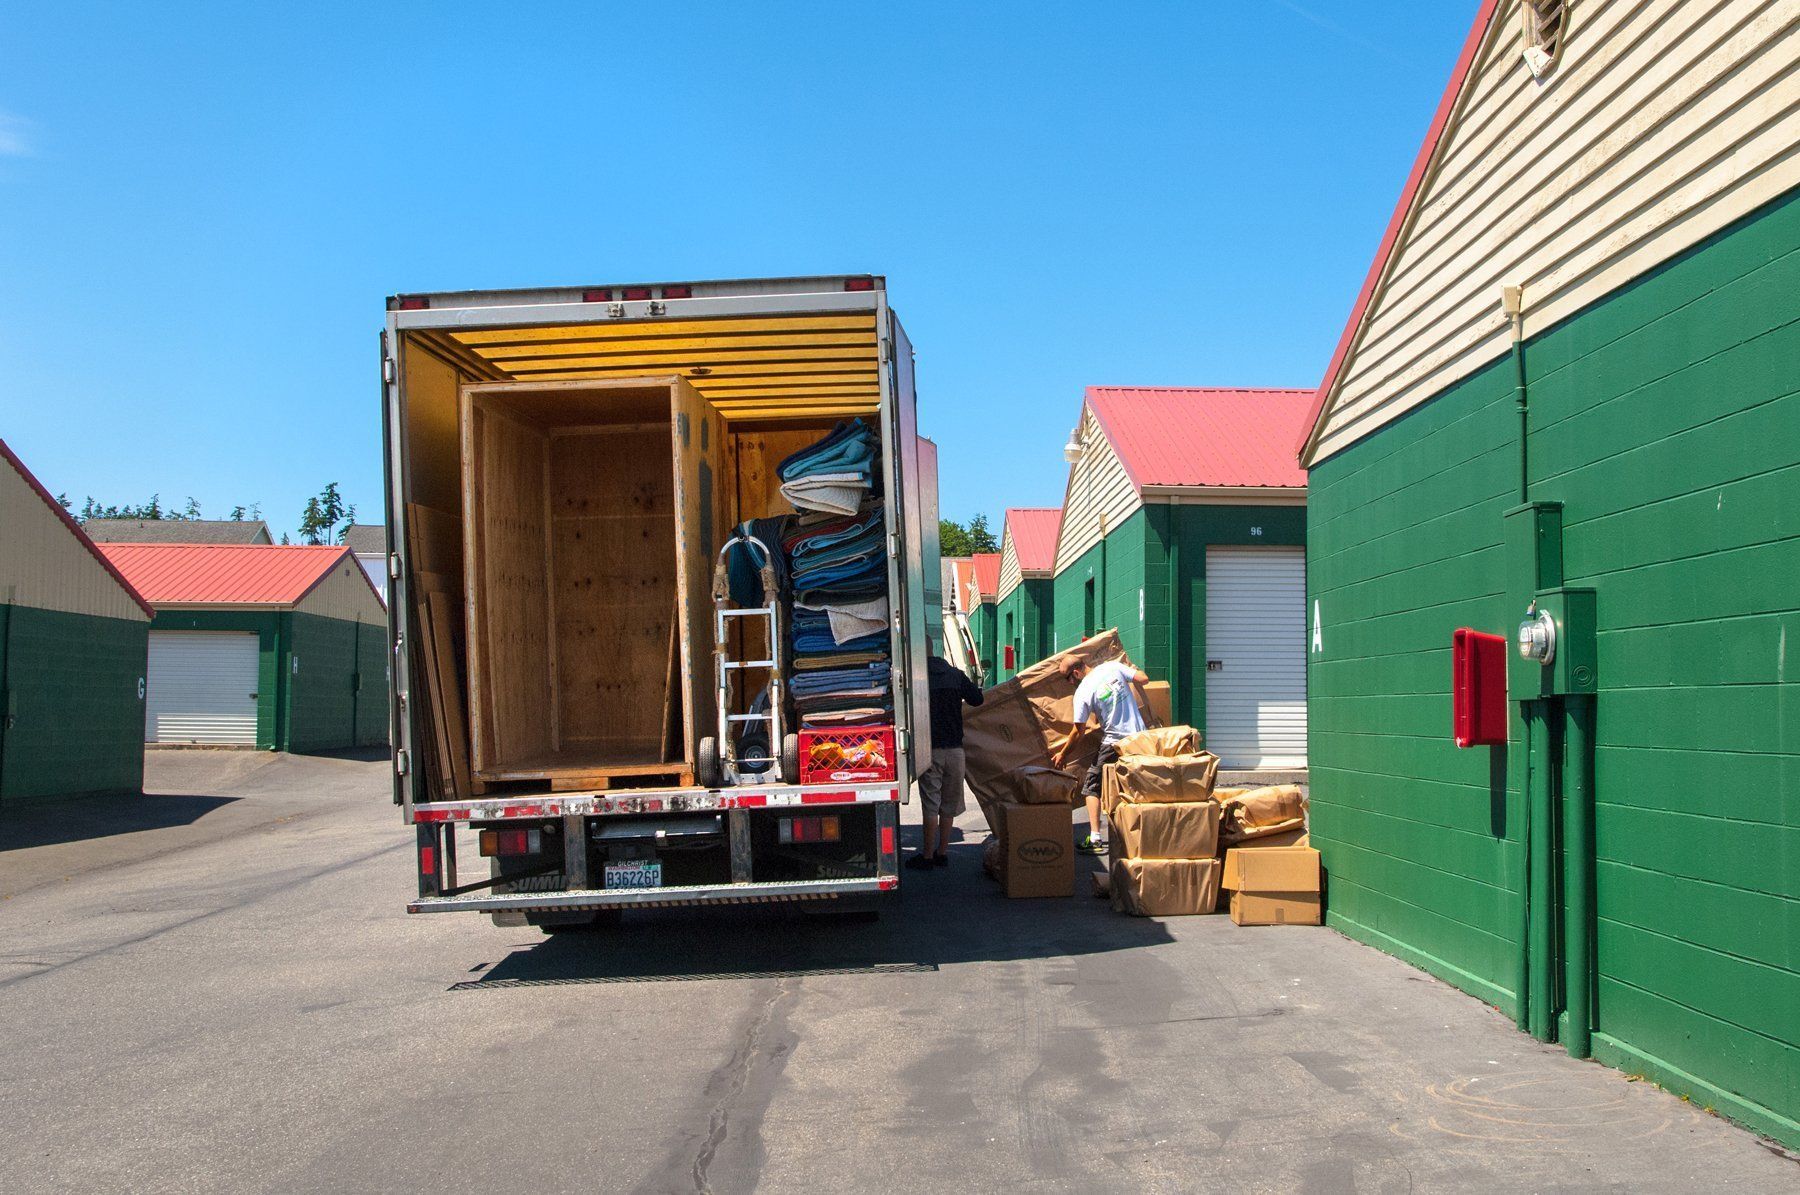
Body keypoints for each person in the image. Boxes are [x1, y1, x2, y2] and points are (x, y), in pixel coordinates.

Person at [1051, 656, 1150, 854]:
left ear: (1076, 673)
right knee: (1138, 786)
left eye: (1068, 679)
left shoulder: (1083, 692)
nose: (1069, 683)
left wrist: (1062, 754)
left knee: (1091, 787)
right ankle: (1146, 835)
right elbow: (1143, 679)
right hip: (1140, 739)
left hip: (1114, 743)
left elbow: (1077, 732)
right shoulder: (1112, 666)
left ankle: (1095, 838)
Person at [907, 654, 985, 870]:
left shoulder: (918, 678)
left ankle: (927, 856)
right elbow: (978, 700)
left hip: (930, 750)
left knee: (931, 804)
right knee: (948, 804)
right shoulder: (955, 675)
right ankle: (942, 853)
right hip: (955, 751)